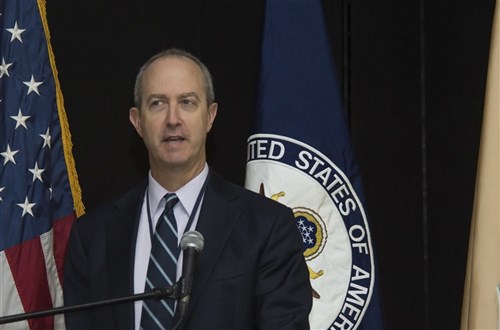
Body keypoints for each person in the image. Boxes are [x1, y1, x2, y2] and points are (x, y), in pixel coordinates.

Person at [63, 48, 312, 330]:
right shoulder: (92, 236)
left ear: (210, 116)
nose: (173, 119)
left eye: (187, 102)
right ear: (137, 121)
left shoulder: (267, 226)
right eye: (157, 103)